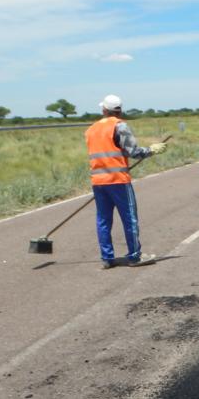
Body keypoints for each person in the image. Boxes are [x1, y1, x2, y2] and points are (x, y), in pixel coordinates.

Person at [86, 94, 167, 268]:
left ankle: (107, 258)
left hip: (98, 182)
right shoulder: (119, 126)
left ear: (103, 110)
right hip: (118, 180)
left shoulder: (91, 129)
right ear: (119, 111)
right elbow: (133, 151)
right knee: (129, 218)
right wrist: (152, 150)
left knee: (103, 220)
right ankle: (135, 256)